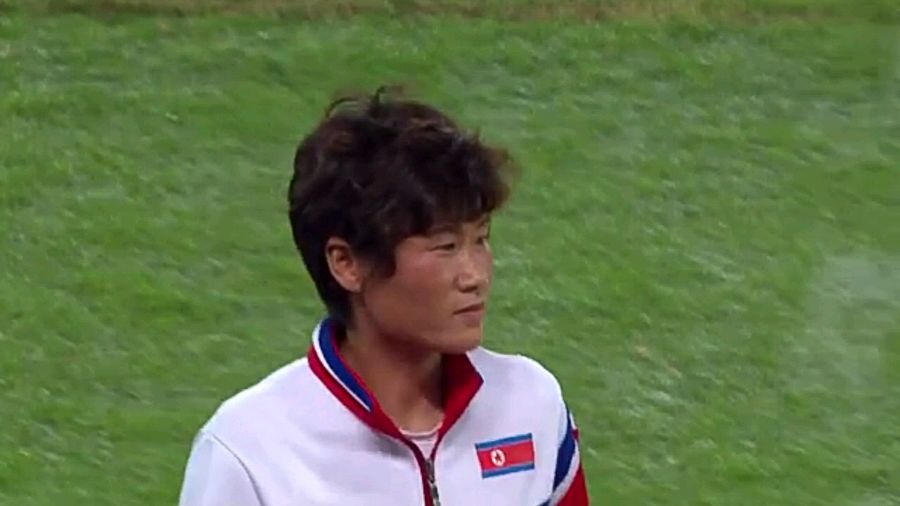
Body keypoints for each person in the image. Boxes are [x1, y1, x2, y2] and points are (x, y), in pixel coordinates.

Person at [177, 87, 588, 505]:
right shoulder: (249, 454)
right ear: (347, 263)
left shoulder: (530, 405)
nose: (476, 276)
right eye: (445, 247)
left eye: (480, 239)